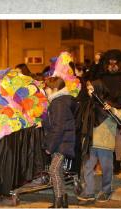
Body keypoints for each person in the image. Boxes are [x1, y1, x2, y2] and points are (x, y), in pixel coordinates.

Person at [77, 80, 121, 203]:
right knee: (87, 167)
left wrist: (112, 109)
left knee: (106, 168)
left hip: (104, 142)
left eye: (91, 89)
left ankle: (106, 190)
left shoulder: (107, 103)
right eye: (88, 89)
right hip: (90, 142)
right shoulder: (88, 104)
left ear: (98, 88)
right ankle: (89, 191)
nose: (89, 91)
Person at [43, 76, 77, 209]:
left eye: (47, 88)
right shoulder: (60, 101)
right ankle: (62, 200)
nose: (45, 90)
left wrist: (49, 148)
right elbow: (56, 121)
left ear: (55, 89)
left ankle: (58, 201)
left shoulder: (58, 102)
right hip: (62, 140)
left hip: (61, 142)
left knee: (53, 169)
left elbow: (59, 127)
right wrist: (43, 123)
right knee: (58, 171)